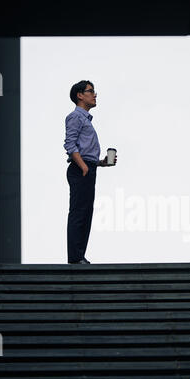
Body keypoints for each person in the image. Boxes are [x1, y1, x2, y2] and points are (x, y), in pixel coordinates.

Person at [64, 80, 117, 264]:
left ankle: (79, 256)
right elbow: (70, 145)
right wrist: (84, 166)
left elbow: (84, 149)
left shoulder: (85, 119)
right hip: (81, 169)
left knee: (86, 213)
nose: (94, 95)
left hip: (88, 167)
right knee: (79, 213)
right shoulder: (75, 117)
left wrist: (100, 163)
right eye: (90, 91)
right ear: (80, 95)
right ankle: (75, 258)